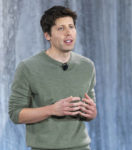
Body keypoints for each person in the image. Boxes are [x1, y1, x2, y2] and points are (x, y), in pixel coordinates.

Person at [9, 5, 97, 150]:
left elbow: (89, 111)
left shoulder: (87, 66)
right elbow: (15, 114)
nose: (68, 33)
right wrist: (52, 110)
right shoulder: (27, 67)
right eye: (61, 28)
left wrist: (92, 113)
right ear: (47, 35)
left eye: (71, 27)